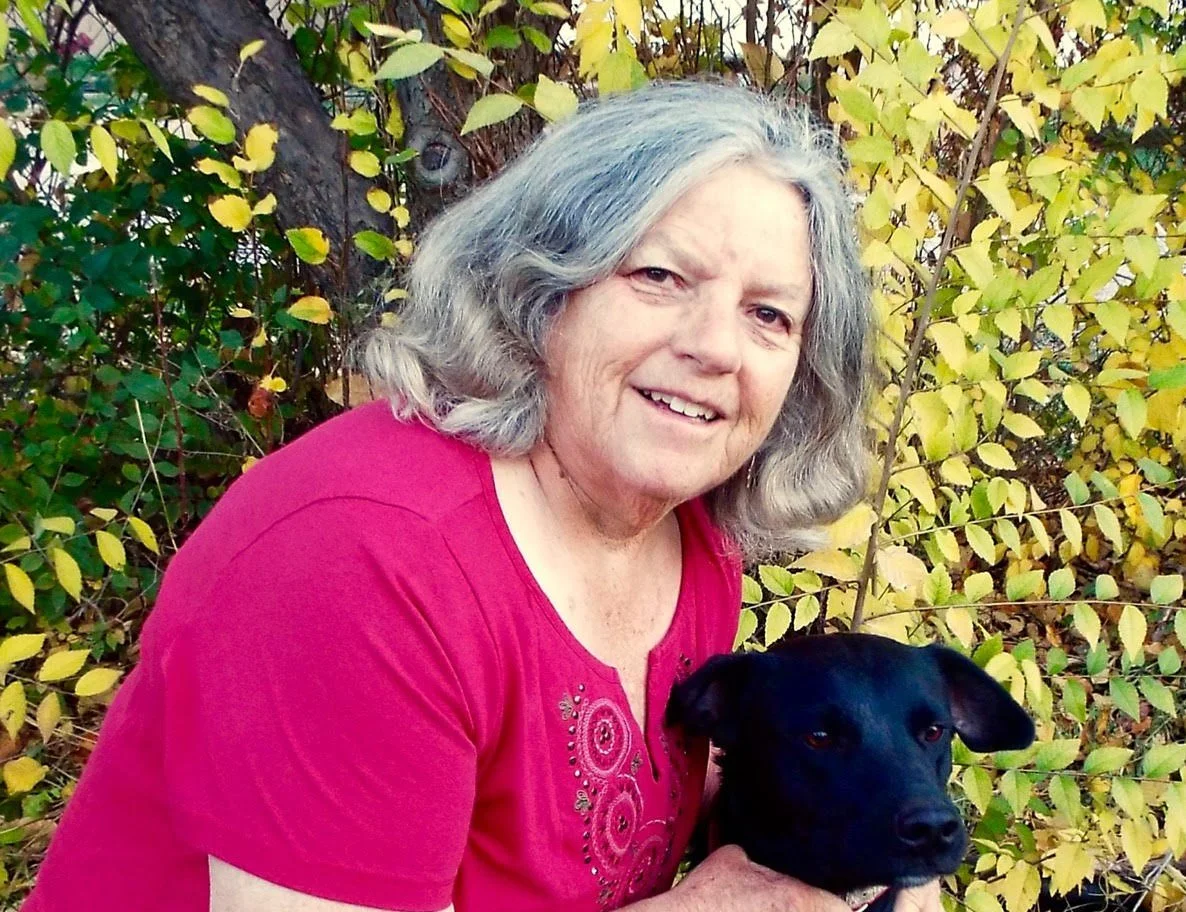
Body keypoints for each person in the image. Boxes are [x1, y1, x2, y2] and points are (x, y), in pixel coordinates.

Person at [23, 81, 936, 912]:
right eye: (659, 276)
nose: (716, 347)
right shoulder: (363, 563)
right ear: (543, 287)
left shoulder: (689, 534)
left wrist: (875, 855)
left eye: (769, 314)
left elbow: (630, 802)